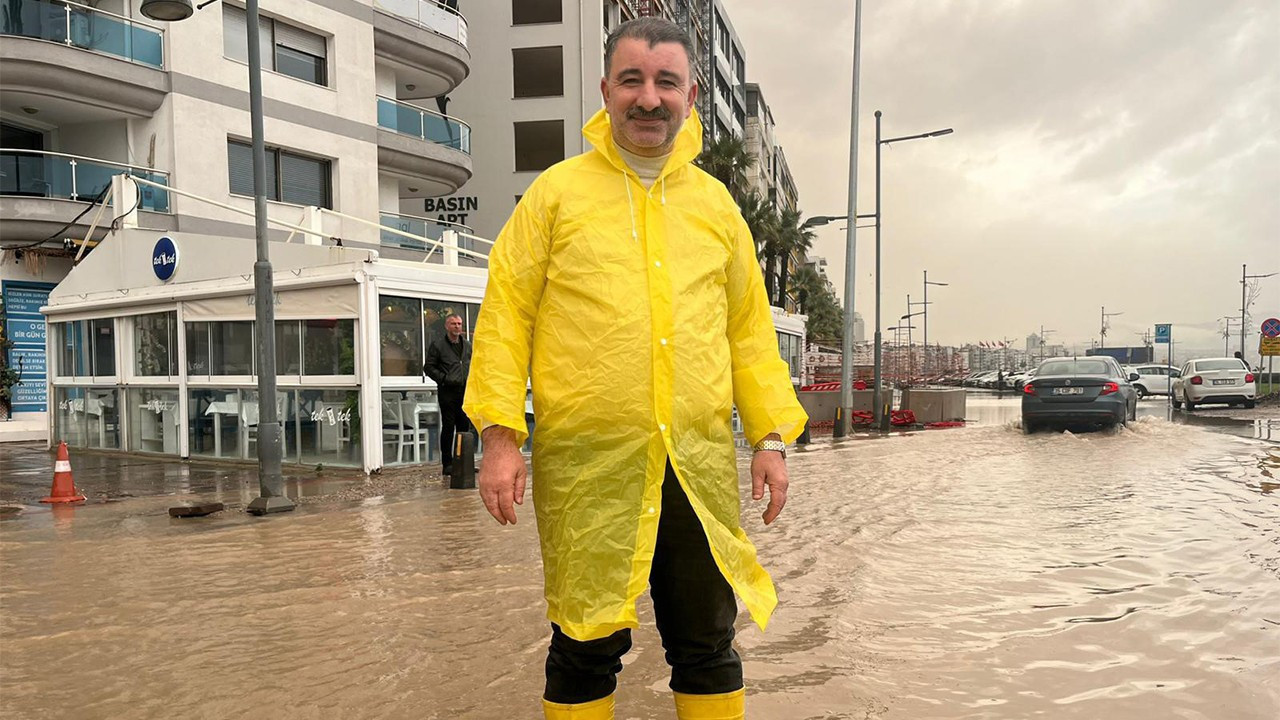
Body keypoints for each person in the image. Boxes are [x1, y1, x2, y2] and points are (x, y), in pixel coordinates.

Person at [463, 17, 807, 720]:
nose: (649, 99)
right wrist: (500, 436)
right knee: (583, 643)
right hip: (590, 471)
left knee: (708, 643)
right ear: (605, 90)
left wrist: (771, 438)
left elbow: (749, 333)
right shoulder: (555, 197)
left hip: (695, 467)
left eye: (666, 83)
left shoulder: (718, 209)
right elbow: (506, 319)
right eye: (633, 80)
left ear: (691, 95)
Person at [424, 313, 471, 475]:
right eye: (453, 324)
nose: (457, 327)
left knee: (464, 428)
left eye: (459, 324)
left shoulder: (467, 345)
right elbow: (428, 367)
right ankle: (447, 464)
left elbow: (472, 364)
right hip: (447, 392)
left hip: (464, 391)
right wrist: (443, 379)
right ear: (447, 326)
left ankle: (464, 463)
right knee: (449, 427)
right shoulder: (438, 346)